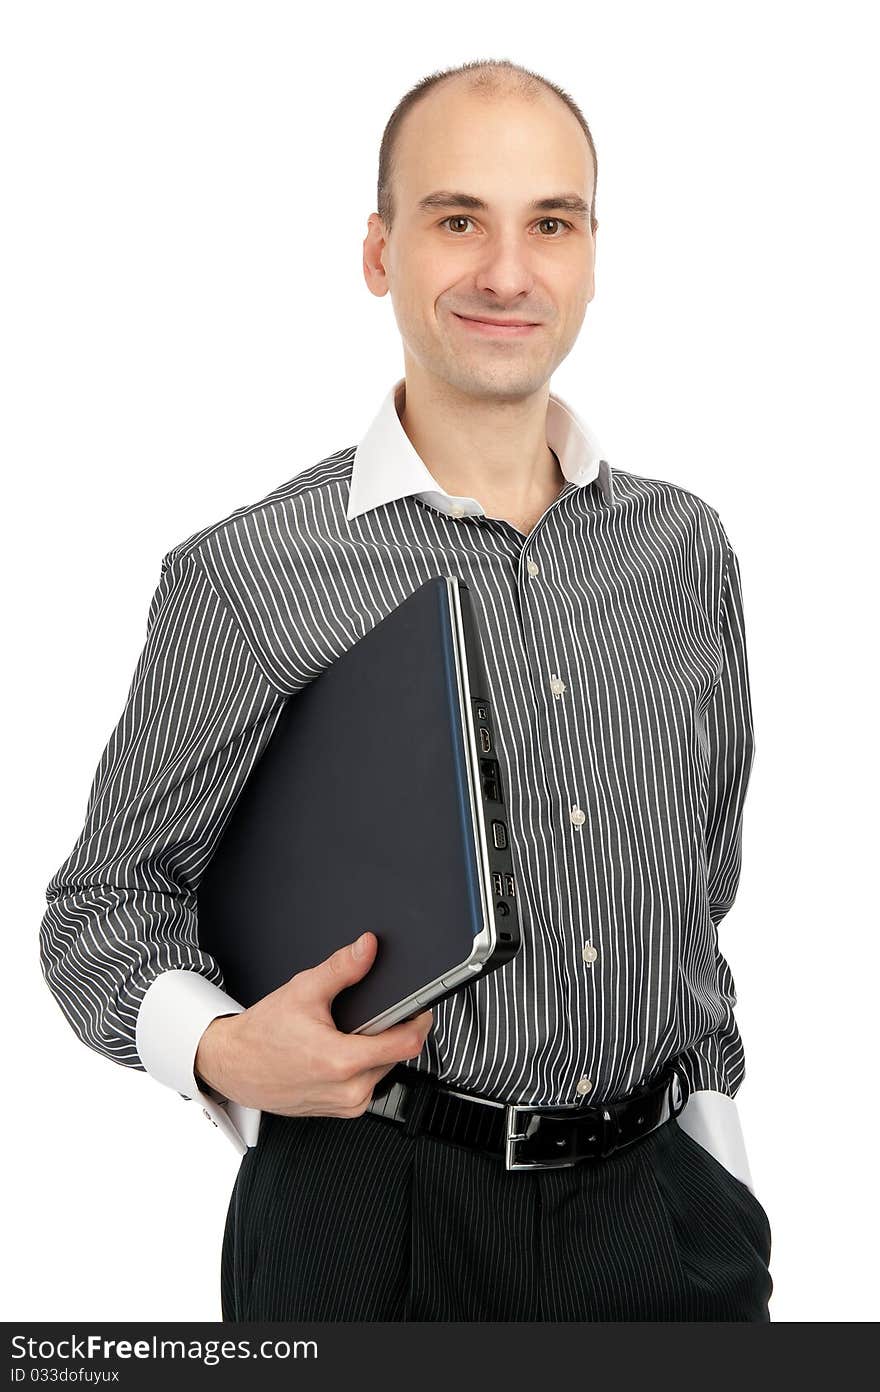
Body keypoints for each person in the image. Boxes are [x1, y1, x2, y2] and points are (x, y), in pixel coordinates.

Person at [39, 57, 772, 1322]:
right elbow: (101, 907)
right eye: (455, 221)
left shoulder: (684, 549)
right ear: (378, 253)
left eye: (549, 223)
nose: (505, 271)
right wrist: (219, 1049)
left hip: (666, 1217)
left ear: (592, 255)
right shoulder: (252, 571)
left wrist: (720, 1173)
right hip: (373, 1224)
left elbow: (697, 887)